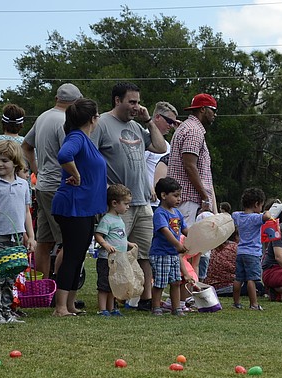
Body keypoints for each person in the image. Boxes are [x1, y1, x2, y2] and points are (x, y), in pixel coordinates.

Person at [91, 82, 167, 312]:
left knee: (144, 253)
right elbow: (91, 158)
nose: (136, 106)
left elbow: (160, 146)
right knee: (116, 254)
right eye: (131, 102)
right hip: (117, 205)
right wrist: (104, 190)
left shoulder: (136, 126)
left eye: (138, 102)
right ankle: (114, 298)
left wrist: (148, 121)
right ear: (117, 100)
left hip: (142, 200)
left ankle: (143, 300)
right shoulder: (102, 123)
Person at [52, 97, 107, 317]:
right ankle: (60, 307)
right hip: (72, 206)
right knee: (72, 256)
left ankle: (70, 304)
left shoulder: (85, 139)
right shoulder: (76, 137)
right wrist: (75, 174)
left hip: (84, 208)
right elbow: (64, 155)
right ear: (93, 119)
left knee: (79, 255)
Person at [22, 83, 83, 279]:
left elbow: (26, 146)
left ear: (57, 99)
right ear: (76, 103)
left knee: (44, 240)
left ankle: (42, 286)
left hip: (42, 186)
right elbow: (68, 155)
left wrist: (36, 170)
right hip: (60, 186)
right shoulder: (65, 121)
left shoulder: (43, 117)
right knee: (69, 241)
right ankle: (61, 287)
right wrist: (77, 175)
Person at [0, 141, 35, 323]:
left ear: (15, 162)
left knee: (11, 275)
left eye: (4, 160)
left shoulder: (23, 185)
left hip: (16, 236)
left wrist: (31, 236)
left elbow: (26, 212)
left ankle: (7, 310)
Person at [168, 93, 217, 225]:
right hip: (189, 201)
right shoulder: (194, 131)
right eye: (213, 110)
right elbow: (189, 165)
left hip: (184, 200)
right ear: (202, 109)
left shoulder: (186, 127)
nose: (214, 114)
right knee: (189, 243)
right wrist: (205, 197)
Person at [149, 177, 191, 316]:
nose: (179, 199)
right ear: (163, 195)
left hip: (173, 254)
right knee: (160, 283)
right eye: (175, 195)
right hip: (161, 253)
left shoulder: (178, 213)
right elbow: (165, 230)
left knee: (176, 282)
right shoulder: (160, 213)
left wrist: (198, 236)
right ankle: (156, 307)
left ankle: (176, 307)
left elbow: (185, 230)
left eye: (179, 196)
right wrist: (178, 244)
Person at [94, 184, 136, 316]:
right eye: (126, 203)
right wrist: (105, 244)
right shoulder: (107, 219)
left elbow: (119, 236)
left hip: (118, 258)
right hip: (106, 259)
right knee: (104, 285)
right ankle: (102, 309)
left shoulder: (119, 219)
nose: (128, 207)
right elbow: (98, 234)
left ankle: (112, 308)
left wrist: (128, 243)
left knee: (114, 284)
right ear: (114, 203)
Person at [231, 187, 269, 311]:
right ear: (256, 204)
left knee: (238, 279)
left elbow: (233, 215)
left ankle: (236, 302)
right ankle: (254, 304)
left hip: (240, 251)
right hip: (253, 253)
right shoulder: (255, 218)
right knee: (251, 279)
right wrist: (266, 211)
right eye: (261, 206)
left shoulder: (237, 216)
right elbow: (267, 217)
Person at [144, 101, 179, 189]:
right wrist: (149, 187)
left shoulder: (166, 145)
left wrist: (180, 132)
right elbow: (137, 167)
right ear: (157, 117)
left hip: (161, 199)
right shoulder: (146, 138)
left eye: (173, 123)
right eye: (169, 121)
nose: (171, 126)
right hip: (148, 197)